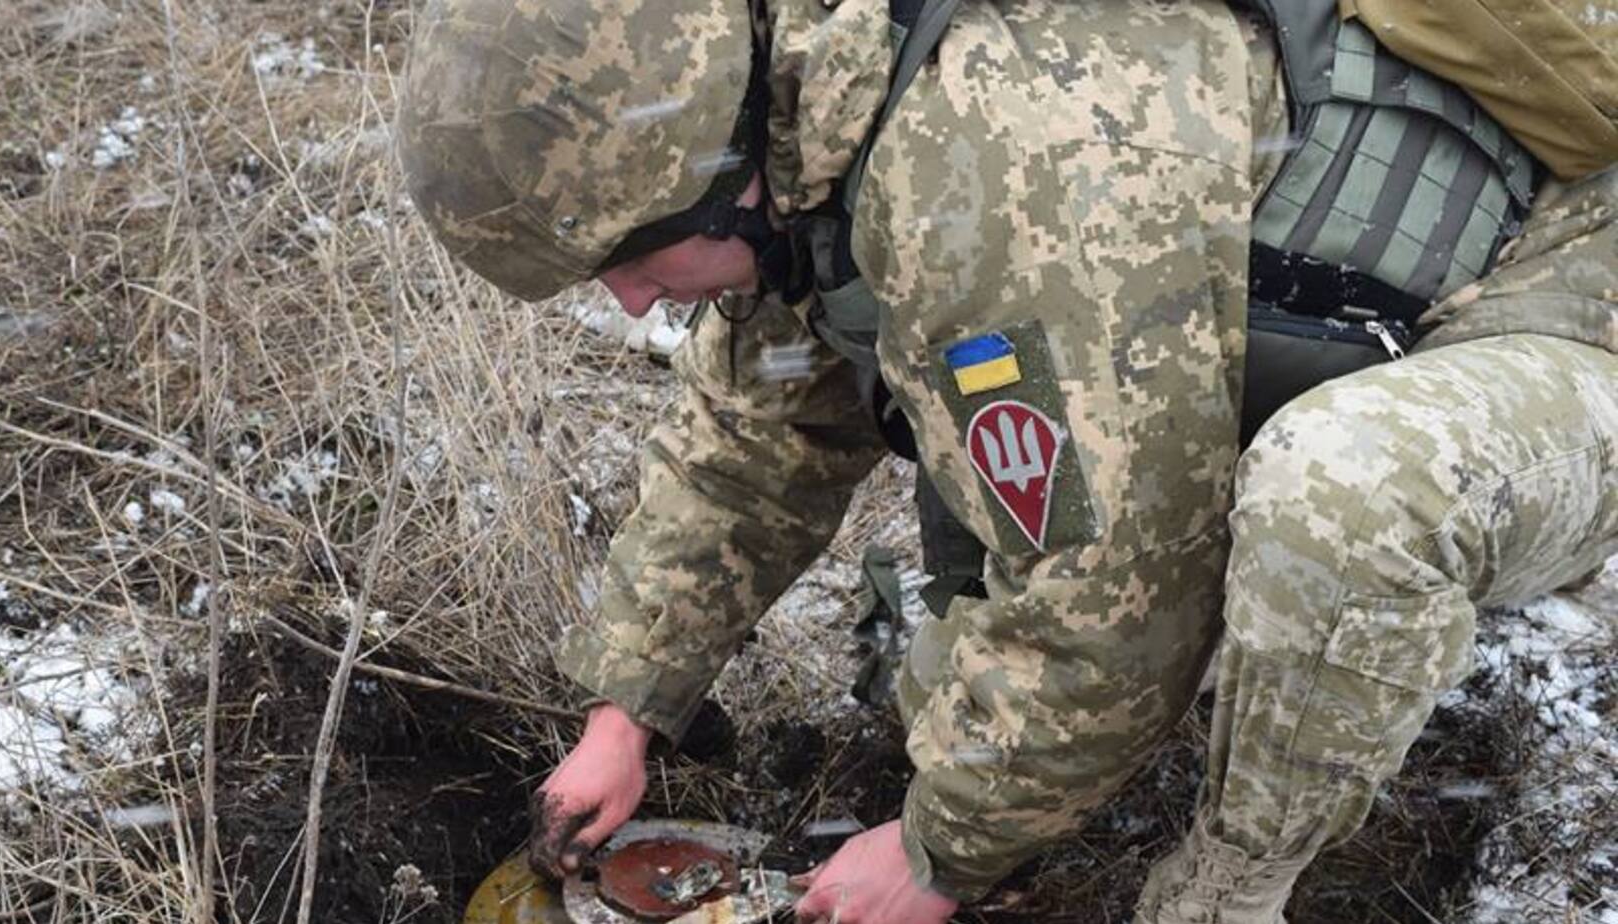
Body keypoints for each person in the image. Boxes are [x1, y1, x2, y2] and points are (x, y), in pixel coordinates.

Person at [396, 0, 1618, 920]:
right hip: (1297, 322)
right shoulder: (815, 105)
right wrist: (630, 704)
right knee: (976, 440)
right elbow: (756, 430)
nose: (625, 305)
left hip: (1557, 291)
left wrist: (939, 851)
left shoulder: (990, 162)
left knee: (1340, 489)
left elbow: (1124, 589)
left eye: (630, 259)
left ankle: (1231, 888)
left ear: (720, 182)